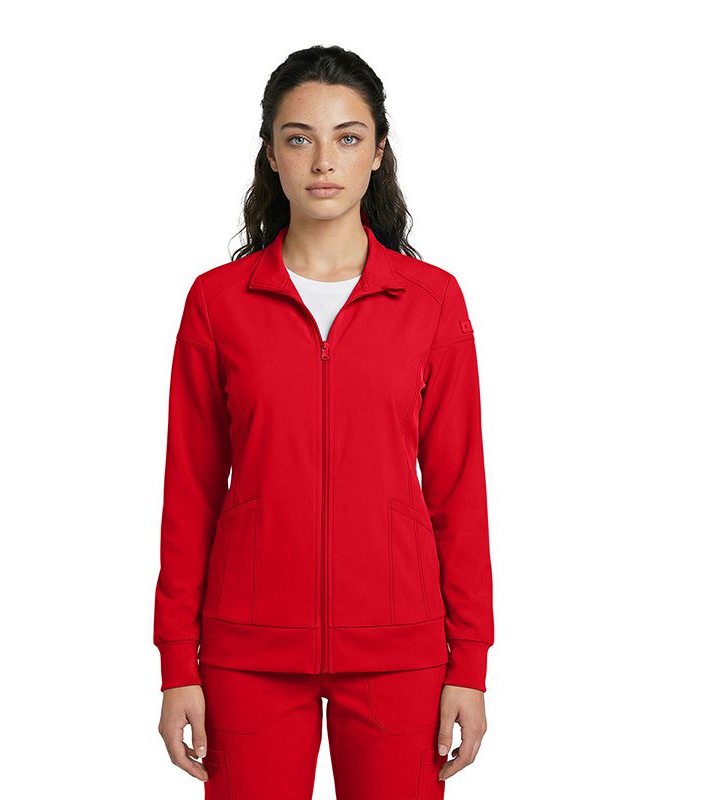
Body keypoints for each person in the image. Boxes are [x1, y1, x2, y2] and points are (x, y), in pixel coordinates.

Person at [154, 44, 494, 799]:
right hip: (248, 650)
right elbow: (190, 492)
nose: (322, 161)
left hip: (400, 648)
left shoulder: (432, 302)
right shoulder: (217, 302)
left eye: (347, 137)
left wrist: (469, 663)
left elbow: (458, 491)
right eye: (299, 137)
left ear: (378, 153)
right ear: (271, 154)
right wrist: (178, 662)